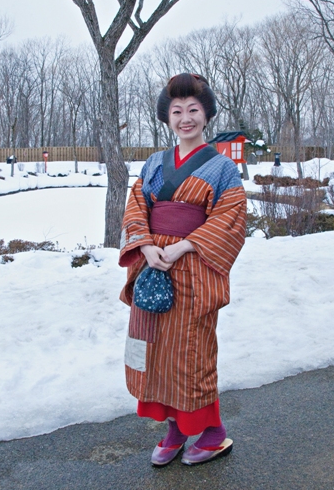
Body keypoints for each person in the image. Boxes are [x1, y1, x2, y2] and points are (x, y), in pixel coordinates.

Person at [118, 73, 247, 467]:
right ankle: (174, 430)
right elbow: (136, 205)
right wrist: (144, 244)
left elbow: (231, 218)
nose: (185, 118)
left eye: (193, 109)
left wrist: (185, 246)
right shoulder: (155, 163)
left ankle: (212, 432)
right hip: (152, 268)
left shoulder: (222, 169)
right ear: (167, 118)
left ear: (206, 115)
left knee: (191, 353)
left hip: (194, 268)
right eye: (177, 111)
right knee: (154, 350)